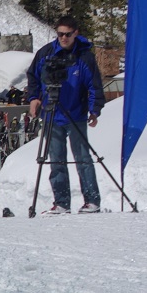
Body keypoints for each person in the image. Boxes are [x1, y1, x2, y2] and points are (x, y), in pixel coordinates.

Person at [27, 15, 105, 215]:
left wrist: (94, 109)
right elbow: (33, 77)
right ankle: (61, 202)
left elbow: (94, 84)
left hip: (76, 114)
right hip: (52, 113)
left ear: (75, 33)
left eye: (67, 34)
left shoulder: (84, 56)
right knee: (56, 160)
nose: (63, 38)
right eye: (60, 34)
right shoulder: (45, 53)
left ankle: (92, 201)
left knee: (82, 158)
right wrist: (34, 98)